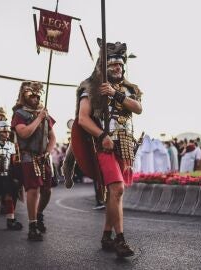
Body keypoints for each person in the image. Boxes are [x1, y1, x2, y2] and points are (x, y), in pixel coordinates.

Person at [65, 40, 142, 257]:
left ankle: (106, 235)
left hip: (125, 147)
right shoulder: (91, 87)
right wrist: (102, 135)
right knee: (117, 190)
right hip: (105, 146)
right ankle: (120, 240)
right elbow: (82, 119)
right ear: (103, 66)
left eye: (120, 64)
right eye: (112, 64)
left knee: (113, 194)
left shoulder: (129, 89)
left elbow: (138, 109)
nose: (118, 67)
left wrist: (116, 94)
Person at [11, 81, 56, 241]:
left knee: (47, 191)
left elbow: (52, 137)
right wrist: (39, 118)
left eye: (38, 95)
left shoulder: (44, 113)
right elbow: (24, 133)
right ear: (24, 95)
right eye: (32, 94)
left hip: (43, 157)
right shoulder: (20, 114)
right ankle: (32, 225)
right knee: (33, 189)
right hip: (28, 156)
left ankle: (38, 213)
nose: (36, 97)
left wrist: (48, 151)